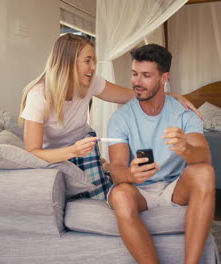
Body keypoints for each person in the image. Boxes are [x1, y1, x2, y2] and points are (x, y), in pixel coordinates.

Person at [19, 33, 201, 200]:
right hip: (56, 154)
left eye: (94, 61)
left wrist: (171, 95)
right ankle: (104, 168)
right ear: (68, 62)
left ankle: (104, 168)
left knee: (102, 199)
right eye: (87, 61)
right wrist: (72, 151)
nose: (92, 67)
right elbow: (32, 153)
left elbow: (131, 95)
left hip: (83, 144)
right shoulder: (38, 95)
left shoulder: (90, 82)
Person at [106, 44, 215, 263]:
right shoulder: (120, 118)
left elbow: (204, 157)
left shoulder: (185, 113)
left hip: (174, 189)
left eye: (146, 75)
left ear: (164, 78)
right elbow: (116, 169)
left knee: (204, 172)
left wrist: (186, 148)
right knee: (119, 194)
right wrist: (131, 175)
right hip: (140, 192)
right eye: (135, 74)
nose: (137, 82)